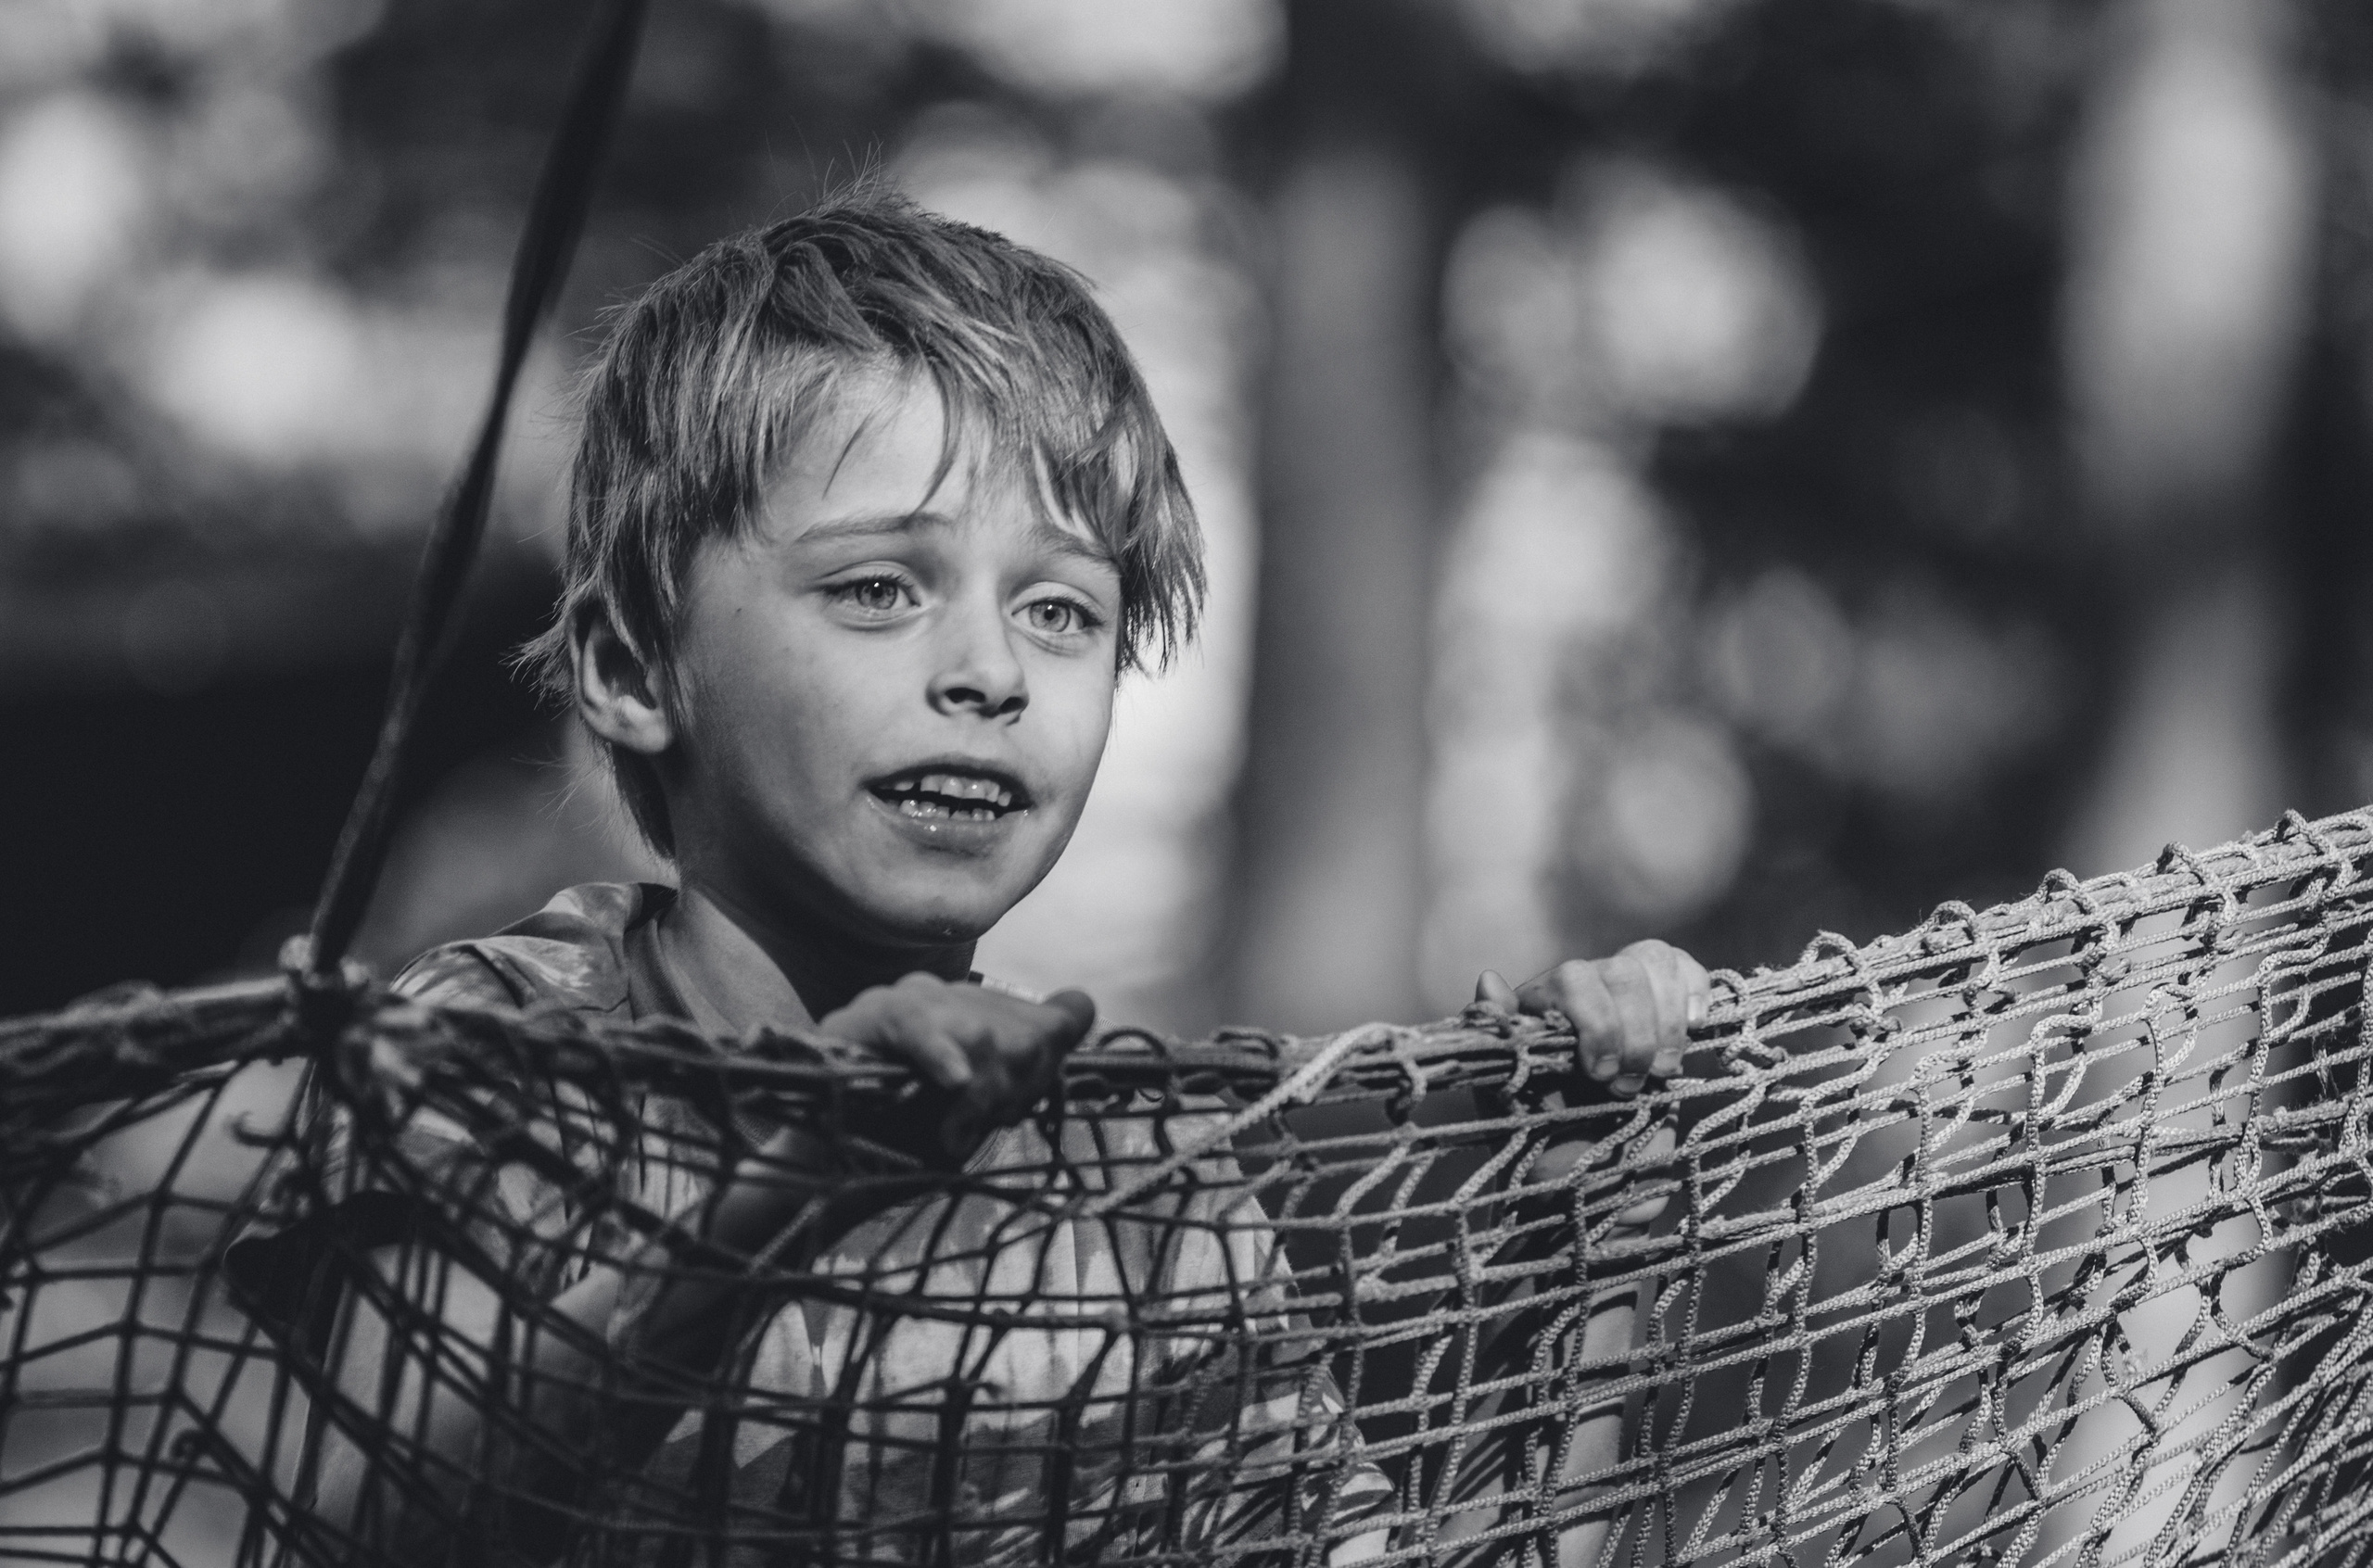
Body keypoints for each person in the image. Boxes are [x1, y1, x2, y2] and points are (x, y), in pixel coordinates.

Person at [227, 185, 1709, 1567]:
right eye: (879, 588)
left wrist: (1594, 1212)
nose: (991, 672)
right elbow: (377, 1510)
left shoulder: (1138, 1182)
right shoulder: (503, 1040)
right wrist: (792, 1184)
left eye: (1062, 611)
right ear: (631, 668)